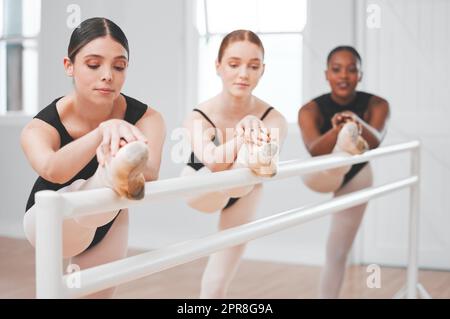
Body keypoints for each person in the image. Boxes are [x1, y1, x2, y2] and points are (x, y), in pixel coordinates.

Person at [21, 17, 165, 298]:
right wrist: (102, 133)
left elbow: (149, 172)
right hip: (50, 221)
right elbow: (53, 170)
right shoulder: (39, 127)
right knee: (99, 187)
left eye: (119, 66)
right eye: (93, 64)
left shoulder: (148, 117)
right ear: (69, 66)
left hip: (109, 218)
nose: (108, 75)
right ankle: (109, 173)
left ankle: (110, 175)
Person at [180, 30, 288, 298]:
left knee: (215, 285)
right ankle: (249, 155)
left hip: (245, 187)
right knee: (235, 171)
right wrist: (243, 133)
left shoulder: (273, 117)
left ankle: (249, 158)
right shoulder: (199, 115)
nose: (243, 74)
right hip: (201, 181)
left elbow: (268, 163)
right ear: (218, 66)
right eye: (234, 64)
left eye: (253, 66)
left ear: (263, 70)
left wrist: (253, 134)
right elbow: (215, 164)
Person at [298, 46, 390, 298]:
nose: (344, 76)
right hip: (320, 172)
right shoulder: (310, 109)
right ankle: (345, 144)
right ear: (326, 74)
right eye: (337, 69)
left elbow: (376, 139)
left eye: (352, 70)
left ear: (360, 75)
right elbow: (315, 150)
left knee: (337, 252)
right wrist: (338, 131)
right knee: (335, 160)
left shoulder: (377, 104)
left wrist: (355, 121)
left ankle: (347, 143)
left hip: (357, 175)